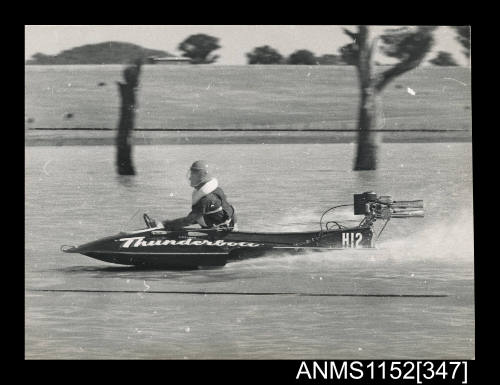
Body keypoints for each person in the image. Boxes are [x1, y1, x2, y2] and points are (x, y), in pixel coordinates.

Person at [160, 160, 237, 231]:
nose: (190, 178)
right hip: (221, 224)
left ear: (201, 176)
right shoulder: (216, 190)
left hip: (223, 231)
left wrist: (166, 224)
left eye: (193, 175)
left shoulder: (207, 199)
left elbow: (190, 219)